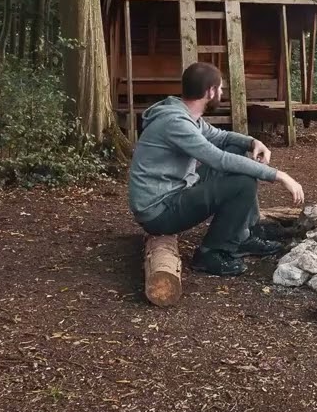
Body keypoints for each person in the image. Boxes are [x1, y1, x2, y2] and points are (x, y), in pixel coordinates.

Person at [128, 62, 306, 276]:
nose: (221, 92)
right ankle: (211, 253)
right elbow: (218, 159)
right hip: (159, 211)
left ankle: (243, 235)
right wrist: (279, 175)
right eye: (220, 88)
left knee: (235, 148)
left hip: (176, 192)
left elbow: (221, 138)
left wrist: (251, 142)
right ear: (210, 91)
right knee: (242, 183)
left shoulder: (185, 114)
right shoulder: (175, 122)